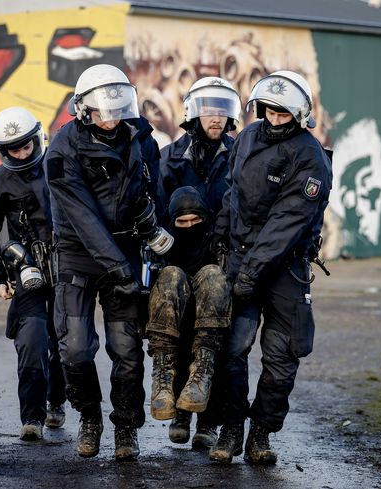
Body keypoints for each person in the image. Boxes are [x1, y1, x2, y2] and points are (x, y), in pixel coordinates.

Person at [45, 64, 169, 461]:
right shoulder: (62, 149)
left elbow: (155, 191)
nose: (111, 118)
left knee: (127, 350)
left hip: (127, 252)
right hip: (80, 256)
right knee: (76, 350)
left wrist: (154, 226)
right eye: (102, 111)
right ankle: (89, 418)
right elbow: (82, 218)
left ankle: (126, 428)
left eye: (117, 109)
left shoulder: (141, 139)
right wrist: (119, 269)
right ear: (83, 110)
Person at [208, 71, 332, 465]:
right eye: (269, 110)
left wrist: (250, 273)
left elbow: (287, 222)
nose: (275, 117)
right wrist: (221, 240)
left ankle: (261, 433)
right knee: (233, 348)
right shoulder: (246, 137)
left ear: (299, 115)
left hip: (284, 270)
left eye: (283, 112)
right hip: (243, 259)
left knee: (282, 357)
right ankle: (231, 428)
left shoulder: (310, 157)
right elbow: (232, 192)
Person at [147, 77, 240, 449]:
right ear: (193, 114)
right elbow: (153, 207)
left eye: (221, 111)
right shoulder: (170, 158)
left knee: (216, 336)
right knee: (179, 329)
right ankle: (179, 410)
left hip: (218, 259)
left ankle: (208, 422)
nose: (215, 119)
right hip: (175, 258)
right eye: (208, 111)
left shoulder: (239, 157)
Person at [0, 106, 67, 441]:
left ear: (37, 138)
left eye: (26, 145)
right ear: (2, 149)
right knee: (32, 341)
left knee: (66, 341)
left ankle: (57, 400)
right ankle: (32, 418)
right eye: (14, 148)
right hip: (26, 272)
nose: (22, 152)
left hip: (66, 268)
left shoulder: (59, 166)